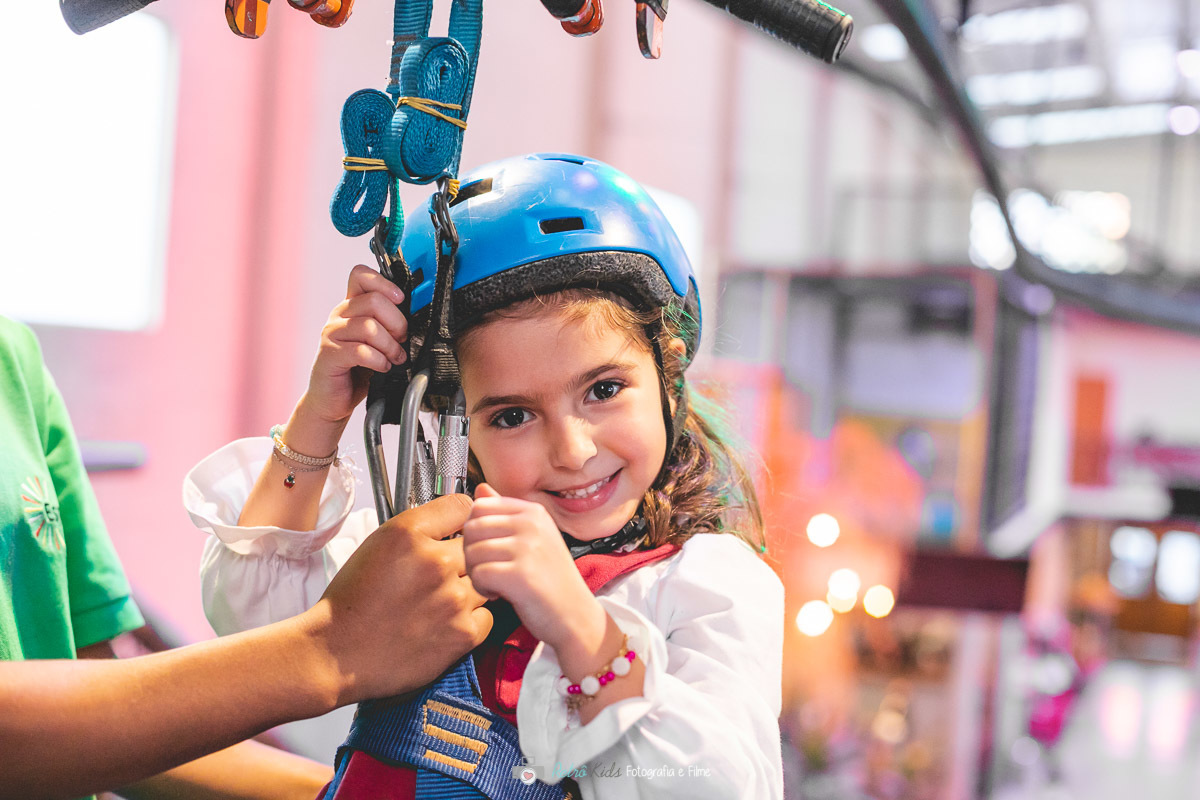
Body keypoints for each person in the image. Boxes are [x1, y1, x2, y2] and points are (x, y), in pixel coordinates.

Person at [186, 153, 785, 798]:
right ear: (459, 428)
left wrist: (577, 625)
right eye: (512, 416)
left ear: (668, 378)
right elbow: (252, 619)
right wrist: (321, 413)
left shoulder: (705, 583)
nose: (573, 450)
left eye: (604, 388)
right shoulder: (432, 552)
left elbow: (718, 785)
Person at [0, 315, 492, 799]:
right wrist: (328, 649)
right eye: (511, 416)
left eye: (575, 399)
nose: (569, 449)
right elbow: (258, 606)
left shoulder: (15, 360)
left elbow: (107, 719)